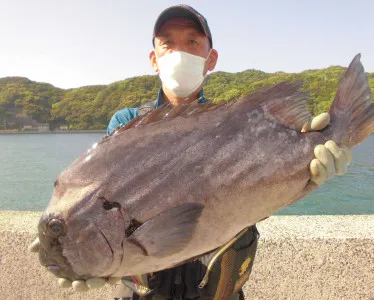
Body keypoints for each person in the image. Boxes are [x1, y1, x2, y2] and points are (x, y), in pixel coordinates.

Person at [29, 4, 352, 299]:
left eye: (192, 43)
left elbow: (249, 201)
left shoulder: (234, 122)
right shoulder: (125, 123)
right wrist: (68, 245)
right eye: (168, 43)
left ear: (210, 59)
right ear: (154, 59)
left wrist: (308, 175)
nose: (179, 52)